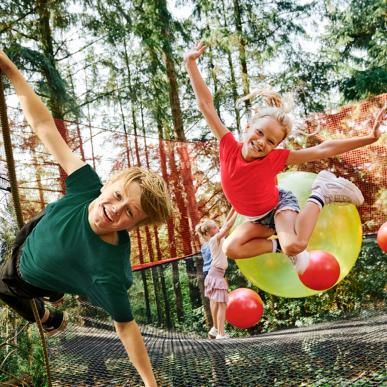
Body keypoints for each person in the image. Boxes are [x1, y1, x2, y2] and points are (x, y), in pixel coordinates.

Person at [0, 49, 172, 387]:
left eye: (129, 214)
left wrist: (151, 384)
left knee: (0, 283)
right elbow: (44, 126)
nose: (115, 209)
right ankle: (54, 297)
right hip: (35, 233)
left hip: (30, 278)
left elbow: (127, 328)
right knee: (28, 236)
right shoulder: (86, 184)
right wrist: (11, 71)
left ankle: (51, 314)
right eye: (118, 195)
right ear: (108, 183)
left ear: (133, 226)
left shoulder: (109, 272)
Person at [185, 42, 386, 274]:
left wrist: (369, 138)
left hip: (279, 205)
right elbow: (206, 105)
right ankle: (279, 245)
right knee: (232, 248)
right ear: (248, 127)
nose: (261, 142)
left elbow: (323, 149)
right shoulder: (228, 146)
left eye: (270, 141)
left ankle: (321, 192)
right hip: (258, 220)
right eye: (259, 133)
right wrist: (191, 63)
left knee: (296, 245)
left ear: (276, 146)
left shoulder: (274, 160)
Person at [195, 209, 238, 340]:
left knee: (220, 304)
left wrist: (234, 208)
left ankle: (218, 332)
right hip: (215, 275)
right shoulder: (214, 240)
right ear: (208, 232)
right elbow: (228, 226)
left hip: (216, 274)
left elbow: (225, 224)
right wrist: (240, 211)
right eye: (214, 227)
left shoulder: (217, 238)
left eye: (216, 225)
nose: (217, 227)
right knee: (221, 305)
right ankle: (221, 333)